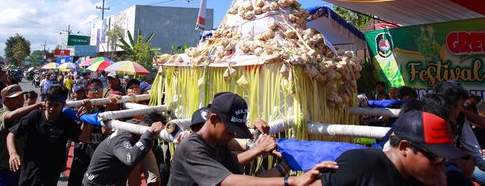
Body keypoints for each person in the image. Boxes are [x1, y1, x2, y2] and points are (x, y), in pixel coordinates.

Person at [169, 92, 337, 186]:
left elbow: (233, 167)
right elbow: (229, 181)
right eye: (231, 130)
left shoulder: (218, 143)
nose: (234, 135)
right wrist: (292, 181)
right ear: (213, 120)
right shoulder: (192, 148)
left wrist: (284, 165)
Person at [315, 111, 466, 186]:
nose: (441, 168)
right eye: (436, 158)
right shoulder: (360, 164)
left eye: (445, 160)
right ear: (405, 147)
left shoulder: (423, 179)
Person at [7, 85, 91, 186]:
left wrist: (87, 119)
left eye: (56, 105)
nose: (51, 109)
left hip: (51, 174)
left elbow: (83, 139)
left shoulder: (66, 122)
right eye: (49, 104)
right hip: (30, 172)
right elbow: (11, 134)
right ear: (45, 102)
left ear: (63, 105)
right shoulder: (35, 116)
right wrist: (13, 153)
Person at [0, 85, 43, 185]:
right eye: (16, 98)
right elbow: (11, 116)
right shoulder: (0, 113)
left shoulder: (25, 114)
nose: (21, 100)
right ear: (5, 101)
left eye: (21, 97)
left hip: (14, 166)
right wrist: (36, 105)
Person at [82, 113, 165, 186]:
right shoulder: (123, 139)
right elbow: (130, 158)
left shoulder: (133, 125)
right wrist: (149, 132)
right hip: (96, 183)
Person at [68, 79, 118, 186]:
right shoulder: (79, 108)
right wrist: (88, 112)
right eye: (93, 89)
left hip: (99, 156)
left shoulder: (104, 108)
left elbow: (105, 130)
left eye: (99, 89)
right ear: (87, 93)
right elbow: (83, 136)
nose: (96, 92)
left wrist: (109, 107)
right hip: (82, 155)